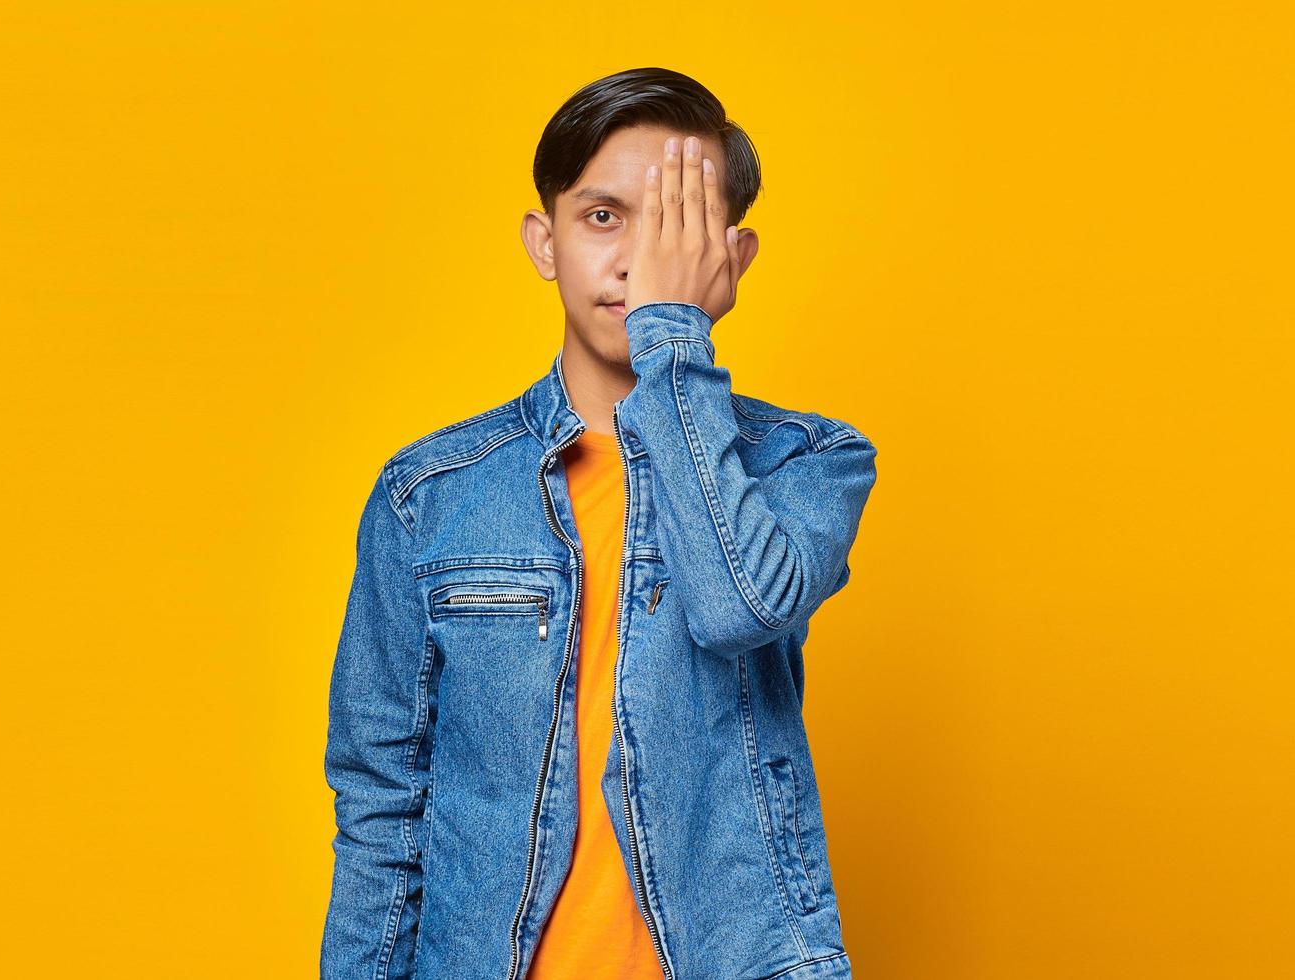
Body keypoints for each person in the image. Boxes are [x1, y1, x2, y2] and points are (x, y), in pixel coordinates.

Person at [320, 67, 878, 980]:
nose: (637, 263)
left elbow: (739, 606)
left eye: (676, 227)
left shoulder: (806, 461)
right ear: (545, 242)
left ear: (730, 259)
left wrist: (672, 333)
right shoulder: (430, 492)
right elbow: (383, 801)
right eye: (605, 217)